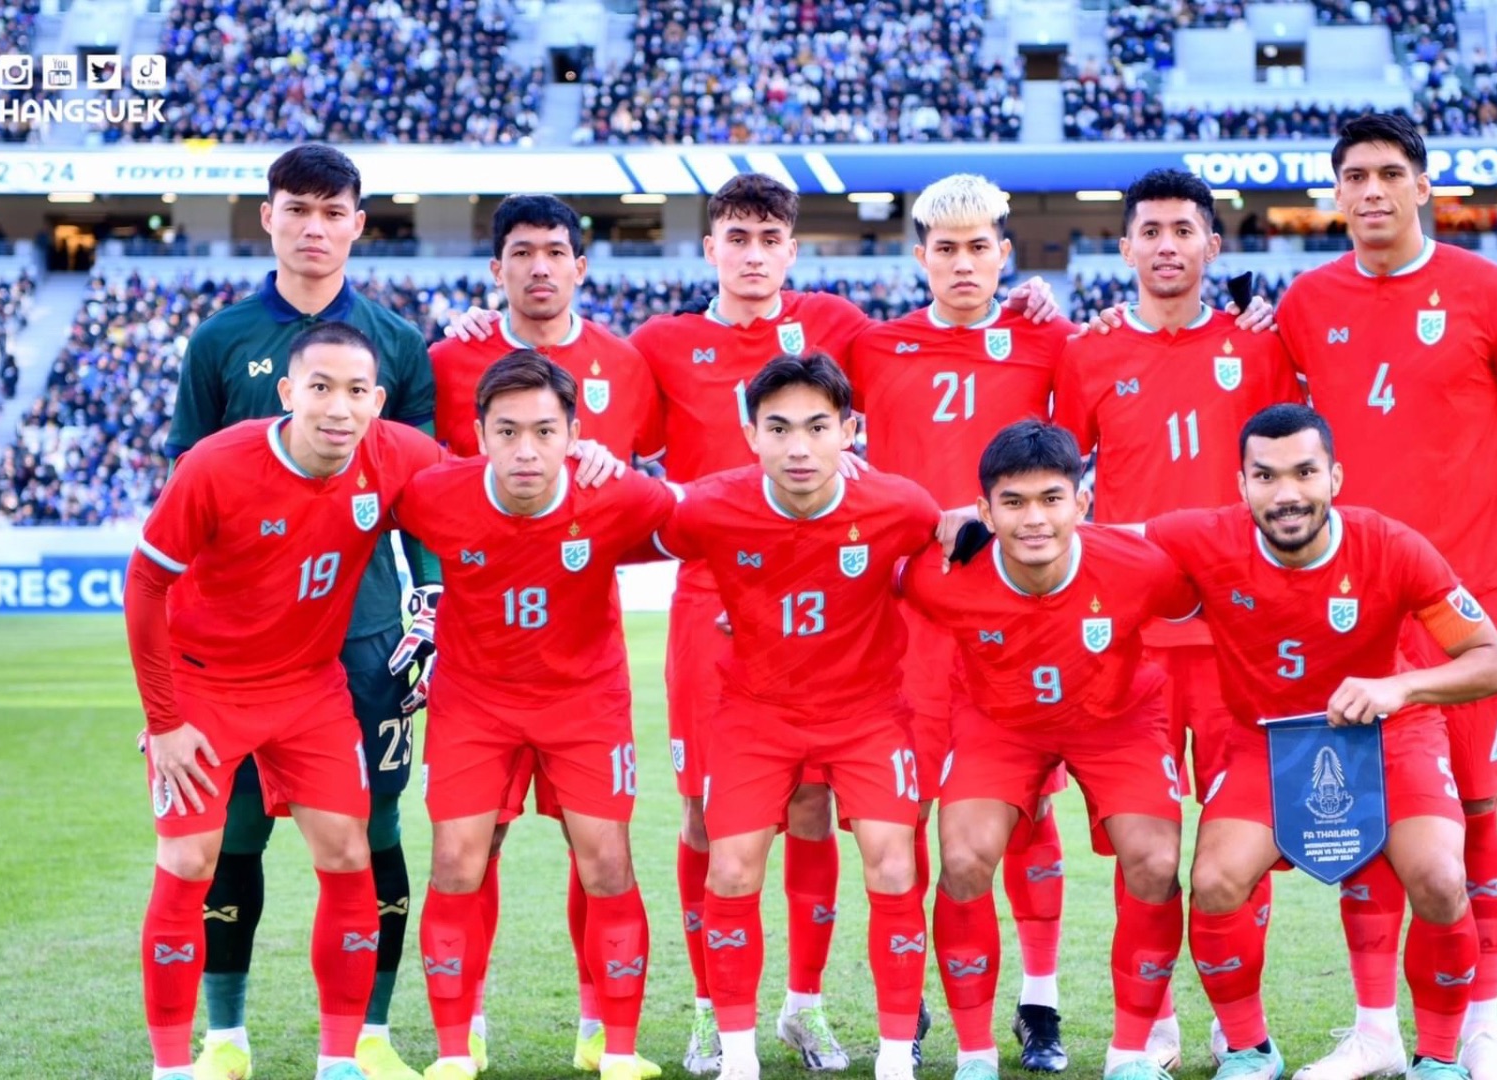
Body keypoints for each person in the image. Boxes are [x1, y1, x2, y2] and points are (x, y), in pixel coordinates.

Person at [443, 171, 1062, 1073]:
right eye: (737, 238)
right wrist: (486, 327)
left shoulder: (841, 328)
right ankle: (709, 1011)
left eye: (770, 238)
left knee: (813, 805)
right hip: (712, 600)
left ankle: (803, 1007)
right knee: (706, 816)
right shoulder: (657, 346)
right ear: (710, 249)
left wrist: (1028, 299)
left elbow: (944, 339)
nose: (754, 255)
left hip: (827, 600)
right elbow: (582, 419)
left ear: (793, 250)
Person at [1276, 113, 1497, 1080]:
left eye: (1389, 173)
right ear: (1336, 194)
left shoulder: (1492, 292)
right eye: (1354, 176)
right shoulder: (1303, 304)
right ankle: (1373, 1032)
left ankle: (1482, 1027)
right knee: (1364, 819)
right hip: (1350, 610)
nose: (1371, 190)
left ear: (1423, 186)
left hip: (1464, 609)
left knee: (1477, 815)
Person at [164, 144, 440, 1080]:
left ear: (358, 224)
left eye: (333, 212)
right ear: (268, 217)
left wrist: (430, 607)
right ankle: (225, 1038)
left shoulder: (398, 343)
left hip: (365, 639)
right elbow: (187, 492)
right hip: (240, 654)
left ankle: (369, 1037)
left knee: (375, 832)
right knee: (233, 835)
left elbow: (425, 496)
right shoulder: (220, 341)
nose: (314, 228)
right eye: (297, 209)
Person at [1137, 403, 1497, 1080]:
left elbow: (1494, 662)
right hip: (1270, 741)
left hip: (1390, 734)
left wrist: (1401, 688)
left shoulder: (1390, 546)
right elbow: (1090, 537)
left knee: (1439, 878)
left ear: (1335, 477)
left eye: (1304, 472)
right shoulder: (1205, 536)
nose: (1286, 493)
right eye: (1266, 476)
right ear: (1242, 484)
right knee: (1216, 881)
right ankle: (1248, 1050)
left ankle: (1436, 1059)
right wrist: (974, 517)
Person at [1052, 167, 1302, 1071]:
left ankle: (1242, 1025)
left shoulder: (1260, 345)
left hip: (1242, 638)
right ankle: (1150, 1022)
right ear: (1124, 247)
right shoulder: (1086, 352)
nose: (1166, 246)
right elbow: (1057, 482)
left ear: (1212, 245)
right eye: (1150, 231)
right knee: (1144, 848)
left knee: (1244, 847)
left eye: (1183, 230)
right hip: (1133, 644)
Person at [427, 193, 666, 1076]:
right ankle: (464, 1029)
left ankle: (604, 1028)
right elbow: (401, 480)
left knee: (600, 852)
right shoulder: (447, 359)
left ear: (580, 265)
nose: (539, 267)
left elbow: (669, 493)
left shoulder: (626, 362)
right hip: (477, 663)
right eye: (521, 252)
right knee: (465, 852)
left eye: (555, 251)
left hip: (581, 663)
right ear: (496, 269)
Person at [847, 173, 1079, 1072]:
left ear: (1005, 253)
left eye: (980, 246)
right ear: (920, 257)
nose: (963, 263)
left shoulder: (1048, 339)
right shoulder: (872, 345)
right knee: (899, 817)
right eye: (945, 248)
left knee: (1027, 812)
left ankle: (1040, 1002)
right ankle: (905, 1009)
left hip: (1017, 618)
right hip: (904, 622)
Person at [652, 353, 938, 1080]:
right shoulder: (709, 506)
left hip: (865, 713)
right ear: (751, 435)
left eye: (817, 427)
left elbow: (950, 547)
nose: (799, 447)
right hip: (755, 710)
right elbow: (619, 527)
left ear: (849, 431)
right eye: (778, 429)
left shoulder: (901, 506)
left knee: (894, 861)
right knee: (729, 863)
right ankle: (734, 1051)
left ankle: (892, 1058)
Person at [902, 420, 1197, 1080]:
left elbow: (1212, 599)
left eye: (1051, 499)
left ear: (1081, 502)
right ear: (984, 512)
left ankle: (1130, 1054)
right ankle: (975, 1056)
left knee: (1155, 862)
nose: (1034, 519)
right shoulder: (943, 576)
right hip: (999, 723)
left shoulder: (1139, 566)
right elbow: (854, 578)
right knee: (964, 858)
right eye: (1013, 502)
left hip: (1117, 720)